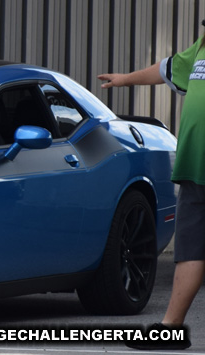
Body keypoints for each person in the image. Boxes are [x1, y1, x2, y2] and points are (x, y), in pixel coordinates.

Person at [98, 34, 205, 351]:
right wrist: (124, 80)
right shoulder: (201, 47)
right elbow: (165, 70)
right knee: (189, 251)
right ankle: (170, 330)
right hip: (194, 167)